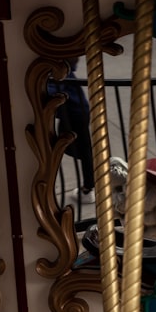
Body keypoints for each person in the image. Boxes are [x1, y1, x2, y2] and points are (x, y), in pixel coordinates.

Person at [50, 58, 95, 204]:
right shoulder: (64, 70)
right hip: (74, 114)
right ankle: (92, 181)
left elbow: (53, 91)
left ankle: (90, 186)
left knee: (78, 149)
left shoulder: (61, 72)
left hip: (75, 115)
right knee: (75, 147)